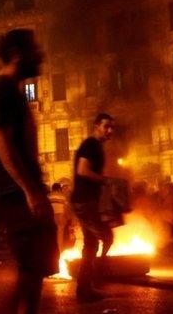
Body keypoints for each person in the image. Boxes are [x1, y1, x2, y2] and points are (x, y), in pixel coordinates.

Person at [0, 29, 58, 314]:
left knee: (35, 265)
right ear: (16, 54)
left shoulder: (12, 91)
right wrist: (29, 191)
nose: (40, 56)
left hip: (17, 190)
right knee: (32, 263)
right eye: (34, 50)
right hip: (10, 191)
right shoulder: (0, 89)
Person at [71, 113, 115, 302]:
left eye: (112, 127)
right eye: (106, 126)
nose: (110, 131)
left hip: (85, 201)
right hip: (84, 202)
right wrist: (103, 180)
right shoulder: (91, 145)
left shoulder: (95, 146)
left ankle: (85, 289)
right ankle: (95, 280)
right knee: (106, 237)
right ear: (97, 125)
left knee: (90, 244)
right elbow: (82, 170)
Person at [48, 183, 68, 252]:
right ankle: (60, 250)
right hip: (61, 215)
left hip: (52, 215)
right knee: (60, 234)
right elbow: (66, 207)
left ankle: (53, 251)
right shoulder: (63, 196)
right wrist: (66, 217)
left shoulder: (48, 196)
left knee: (52, 234)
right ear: (59, 189)